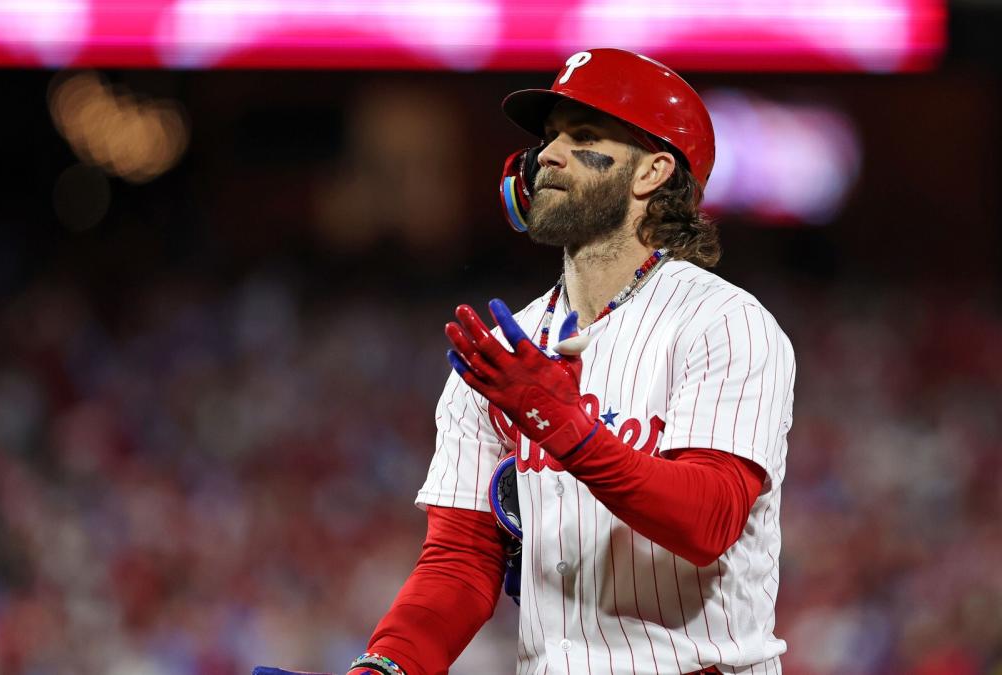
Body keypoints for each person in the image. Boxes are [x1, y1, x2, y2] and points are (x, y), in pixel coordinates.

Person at [256, 47, 795, 675]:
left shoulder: (722, 321)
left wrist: (560, 422)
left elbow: (708, 521)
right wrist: (385, 667)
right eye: (549, 138)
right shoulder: (504, 350)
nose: (548, 156)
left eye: (584, 136)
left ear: (652, 172)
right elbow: (460, 563)